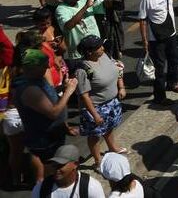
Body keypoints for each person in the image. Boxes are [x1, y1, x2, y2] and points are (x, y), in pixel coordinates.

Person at [13, 49, 79, 183]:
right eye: (44, 65)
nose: (47, 67)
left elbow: (48, 97)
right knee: (53, 171)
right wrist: (69, 91)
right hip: (45, 140)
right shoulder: (29, 89)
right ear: (33, 67)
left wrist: (61, 89)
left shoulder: (37, 79)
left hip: (54, 134)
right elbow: (53, 112)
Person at [73, 35, 125, 166]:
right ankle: (98, 160)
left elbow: (117, 69)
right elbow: (84, 95)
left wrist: (121, 86)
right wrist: (95, 115)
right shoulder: (83, 70)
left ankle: (112, 147)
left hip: (111, 102)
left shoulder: (104, 55)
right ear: (89, 52)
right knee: (95, 135)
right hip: (95, 107)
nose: (102, 48)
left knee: (109, 127)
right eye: (98, 47)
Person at [138, 0, 178, 106]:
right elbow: (143, 19)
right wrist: (145, 41)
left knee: (174, 60)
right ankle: (159, 96)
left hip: (171, 32)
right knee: (160, 68)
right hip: (156, 38)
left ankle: (172, 83)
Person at [30, 144, 106, 198]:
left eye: (61, 165)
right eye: (54, 164)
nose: (56, 169)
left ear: (75, 164)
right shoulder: (41, 189)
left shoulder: (91, 187)